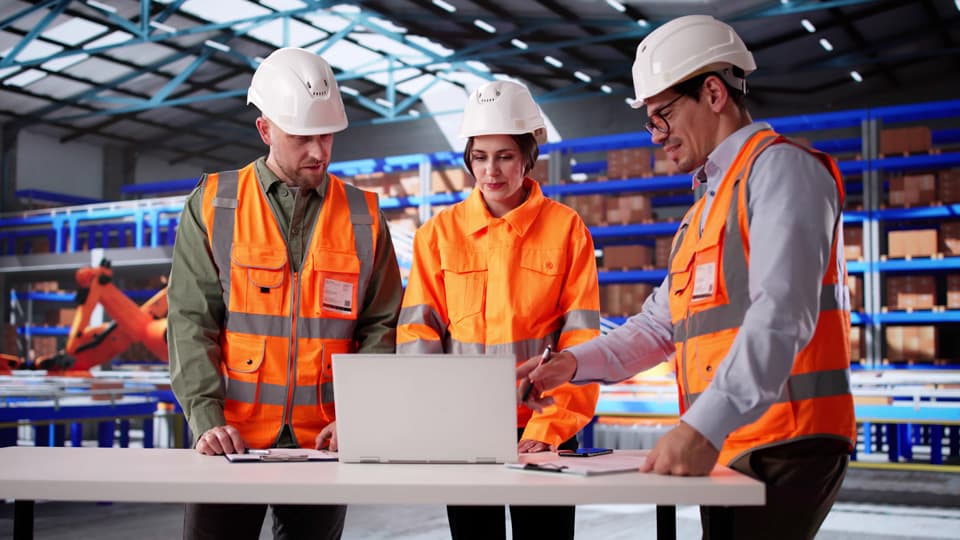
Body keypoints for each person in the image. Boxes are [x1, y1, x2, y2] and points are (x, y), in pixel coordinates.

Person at [519, 14, 855, 540]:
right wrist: (568, 365)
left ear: (714, 93)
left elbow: (782, 313)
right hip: (733, 443)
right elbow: (656, 328)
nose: (657, 136)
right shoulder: (702, 212)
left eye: (663, 116)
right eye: (650, 122)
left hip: (786, 443)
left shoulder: (781, 170)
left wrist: (700, 427)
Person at [168, 47, 403, 540]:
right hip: (231, 439)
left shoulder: (363, 214)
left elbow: (382, 325)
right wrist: (205, 417)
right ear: (266, 130)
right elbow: (191, 320)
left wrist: (361, 418)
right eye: (302, 138)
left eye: (327, 136)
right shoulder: (214, 204)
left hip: (325, 440)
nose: (318, 151)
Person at [396, 79, 601, 540]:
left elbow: (582, 339)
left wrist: (550, 427)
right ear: (468, 157)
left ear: (528, 156)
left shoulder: (566, 230)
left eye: (505, 155)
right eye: (481, 156)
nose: (492, 170)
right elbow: (417, 335)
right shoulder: (439, 235)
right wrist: (438, 420)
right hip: (465, 432)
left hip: (546, 430)